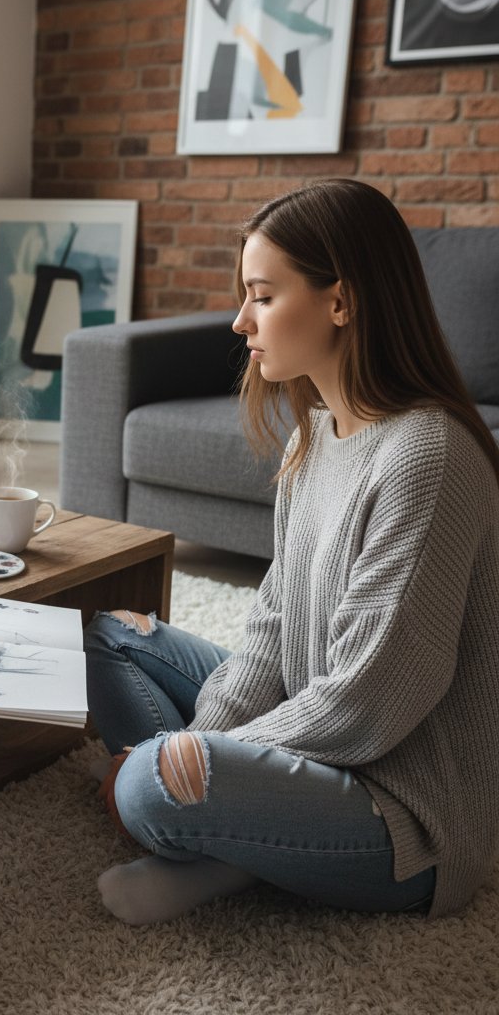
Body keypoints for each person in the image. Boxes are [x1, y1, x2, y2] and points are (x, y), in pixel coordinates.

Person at [85, 178, 499, 927]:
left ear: (340, 302)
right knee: (107, 636)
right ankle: (228, 832)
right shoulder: (314, 435)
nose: (241, 320)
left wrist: (190, 764)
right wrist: (206, 742)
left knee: (152, 783)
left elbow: (371, 705)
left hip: (400, 803)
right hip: (319, 724)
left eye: (263, 295)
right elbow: (271, 631)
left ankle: (217, 846)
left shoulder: (427, 457)